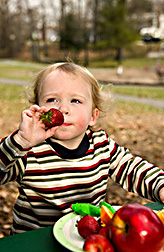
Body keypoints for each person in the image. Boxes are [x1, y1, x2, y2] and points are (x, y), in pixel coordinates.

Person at [0, 62, 164, 235]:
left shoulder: (102, 146)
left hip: (84, 239)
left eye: (75, 100)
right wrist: (20, 141)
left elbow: (133, 169)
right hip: (34, 242)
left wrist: (160, 185)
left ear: (93, 116)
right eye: (51, 100)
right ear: (38, 109)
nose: (62, 109)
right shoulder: (27, 151)